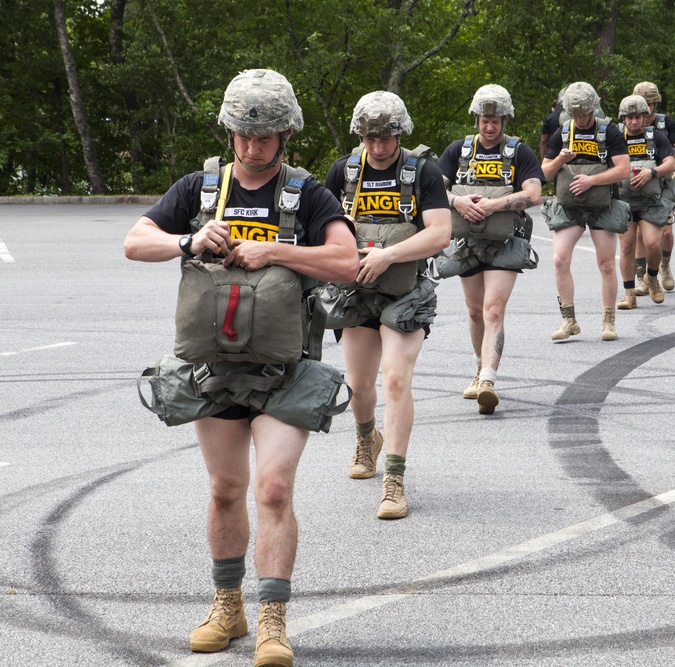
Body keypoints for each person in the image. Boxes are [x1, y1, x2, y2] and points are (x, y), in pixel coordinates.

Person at [123, 69, 359, 667]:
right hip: (213, 371)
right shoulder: (198, 189)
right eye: (242, 136)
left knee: (273, 488)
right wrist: (188, 240)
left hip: (283, 373)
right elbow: (135, 240)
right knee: (227, 488)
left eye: (265, 138)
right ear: (229, 132)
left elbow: (346, 261)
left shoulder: (309, 195)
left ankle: (273, 622)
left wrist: (276, 249)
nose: (252, 149)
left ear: (286, 136)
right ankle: (228, 607)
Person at [323, 91, 451, 519]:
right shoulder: (343, 171)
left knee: (396, 380)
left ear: (400, 133)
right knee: (360, 387)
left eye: (386, 138)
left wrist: (388, 255)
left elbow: (439, 234)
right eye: (369, 138)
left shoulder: (422, 172)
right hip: (356, 295)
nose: (378, 147)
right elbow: (323, 230)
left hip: (405, 294)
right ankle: (366, 438)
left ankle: (394, 481)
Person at [437, 84, 545, 414]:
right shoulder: (458, 151)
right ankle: (478, 366)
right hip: (467, 243)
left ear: (505, 119)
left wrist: (494, 205)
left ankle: (488, 379)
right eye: (485, 119)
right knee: (474, 311)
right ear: (476, 119)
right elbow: (432, 190)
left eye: (496, 119)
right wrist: (457, 201)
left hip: (504, 243)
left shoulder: (519, 152)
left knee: (493, 310)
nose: (489, 126)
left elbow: (534, 193)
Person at [541, 81, 630, 342]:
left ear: (593, 109)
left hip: (602, 206)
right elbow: (543, 173)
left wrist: (592, 180)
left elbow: (623, 170)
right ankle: (569, 320)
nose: (581, 119)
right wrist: (560, 160)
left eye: (585, 114)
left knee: (605, 263)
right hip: (570, 207)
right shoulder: (562, 133)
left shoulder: (609, 132)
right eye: (575, 114)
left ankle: (608, 320)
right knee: (559, 259)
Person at [615, 94, 675, 308]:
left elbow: (671, 163)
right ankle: (629, 294)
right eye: (629, 117)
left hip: (651, 200)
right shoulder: (616, 138)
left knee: (652, 244)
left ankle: (652, 278)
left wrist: (652, 172)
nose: (634, 121)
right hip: (624, 201)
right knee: (626, 247)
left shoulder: (656, 137)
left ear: (645, 116)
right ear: (623, 118)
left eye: (638, 117)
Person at [628, 81, 675, 296]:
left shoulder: (665, 125)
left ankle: (664, 265)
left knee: (666, 230)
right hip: (636, 184)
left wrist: (660, 157)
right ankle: (641, 277)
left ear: (655, 104)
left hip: (662, 182)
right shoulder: (627, 126)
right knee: (636, 235)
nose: (644, 107)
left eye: (649, 103)